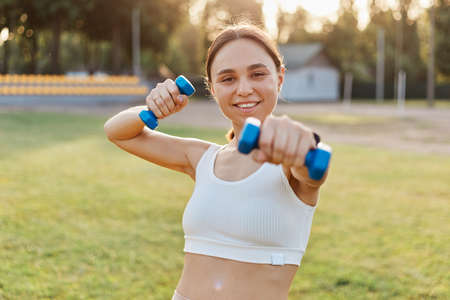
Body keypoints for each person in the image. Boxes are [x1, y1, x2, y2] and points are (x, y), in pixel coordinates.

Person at [104, 23, 330, 300]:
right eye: (228, 79)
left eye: (257, 74)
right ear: (212, 88)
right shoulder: (202, 158)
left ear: (279, 78)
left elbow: (311, 173)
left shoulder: (291, 158)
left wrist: (300, 144)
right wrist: (152, 110)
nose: (244, 89)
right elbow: (117, 132)